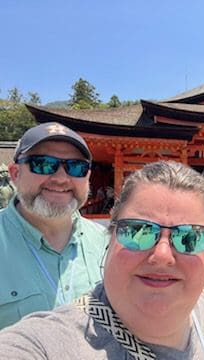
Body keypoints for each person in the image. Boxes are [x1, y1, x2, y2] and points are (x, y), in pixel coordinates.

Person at [0, 160, 204, 359]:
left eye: (190, 237)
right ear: (111, 236)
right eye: (138, 231)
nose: (162, 255)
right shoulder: (45, 343)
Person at [0, 122, 108, 329]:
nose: (60, 179)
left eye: (76, 167)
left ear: (88, 177)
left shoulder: (108, 243)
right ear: (15, 173)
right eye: (43, 164)